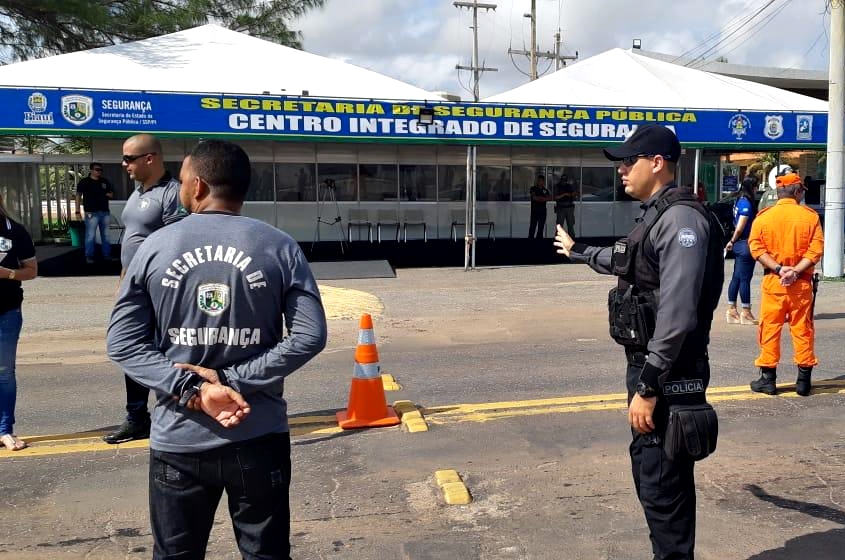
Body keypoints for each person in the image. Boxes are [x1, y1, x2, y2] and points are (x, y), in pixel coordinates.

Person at [106, 140, 327, 558]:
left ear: (200, 186)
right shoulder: (279, 246)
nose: (182, 188)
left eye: (185, 180)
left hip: (179, 437)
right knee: (267, 553)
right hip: (258, 430)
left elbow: (123, 341)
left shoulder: (154, 247)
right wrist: (231, 380)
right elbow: (308, 335)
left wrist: (193, 388)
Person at [554, 125, 723, 560]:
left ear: (658, 163)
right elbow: (629, 260)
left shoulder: (682, 220)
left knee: (664, 486)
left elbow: (678, 313)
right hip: (653, 366)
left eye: (630, 161)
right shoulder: (657, 215)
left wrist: (648, 386)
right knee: (652, 477)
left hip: (669, 371)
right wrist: (578, 251)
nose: (623, 170)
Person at [103, 134, 187, 445]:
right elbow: (133, 242)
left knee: (167, 350)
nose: (123, 165)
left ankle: (179, 409)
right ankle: (138, 418)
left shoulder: (172, 194)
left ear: (149, 158)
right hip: (134, 286)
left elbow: (175, 244)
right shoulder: (138, 194)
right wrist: (123, 282)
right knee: (133, 348)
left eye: (128, 158)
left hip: (159, 290)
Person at [747, 173, 824, 396]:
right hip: (801, 284)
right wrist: (796, 271)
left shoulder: (764, 217)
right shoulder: (809, 217)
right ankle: (803, 381)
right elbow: (816, 250)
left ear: (779, 193)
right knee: (803, 329)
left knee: (770, 329)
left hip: (774, 282)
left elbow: (756, 249)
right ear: (798, 191)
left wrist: (780, 269)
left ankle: (768, 380)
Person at [0, 194, 38, 451]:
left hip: (6, 311)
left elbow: (31, 271)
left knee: (4, 373)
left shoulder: (14, 231)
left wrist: (7, 273)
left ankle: (5, 430)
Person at [724, 176, 759, 325]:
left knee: (737, 277)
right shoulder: (746, 204)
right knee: (745, 279)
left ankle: (732, 310)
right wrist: (731, 240)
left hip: (739, 244)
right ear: (752, 188)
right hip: (745, 243)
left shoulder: (738, 201)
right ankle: (746, 311)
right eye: (756, 187)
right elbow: (740, 226)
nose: (757, 190)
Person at [75, 162, 114, 264]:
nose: (99, 172)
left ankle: (107, 255)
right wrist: (77, 211)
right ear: (91, 170)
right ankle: (89, 256)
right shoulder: (84, 182)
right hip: (91, 212)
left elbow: (111, 194)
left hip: (104, 211)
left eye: (101, 170)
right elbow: (78, 196)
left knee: (106, 235)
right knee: (90, 235)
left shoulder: (104, 181)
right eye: (97, 169)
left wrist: (106, 193)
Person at [528, 174, 551, 239]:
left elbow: (548, 198)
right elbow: (534, 198)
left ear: (543, 182)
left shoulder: (545, 190)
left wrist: (540, 198)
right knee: (532, 227)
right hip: (534, 211)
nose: (539, 182)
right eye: (538, 180)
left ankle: (539, 243)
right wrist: (542, 199)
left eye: (541, 181)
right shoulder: (533, 188)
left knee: (541, 228)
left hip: (542, 212)